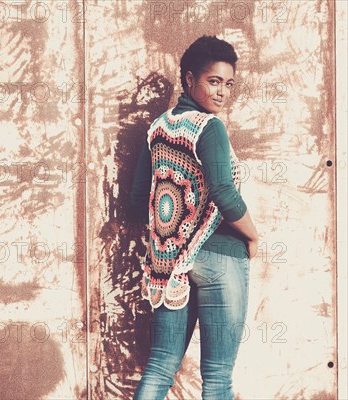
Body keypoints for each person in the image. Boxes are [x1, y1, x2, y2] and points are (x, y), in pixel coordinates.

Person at [130, 35, 259, 400]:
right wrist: (252, 236)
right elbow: (224, 192)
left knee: (159, 366)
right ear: (189, 79)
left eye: (228, 84)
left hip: (171, 265)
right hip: (221, 258)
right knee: (218, 376)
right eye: (213, 81)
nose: (222, 93)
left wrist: (172, 239)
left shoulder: (157, 129)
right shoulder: (209, 127)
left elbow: (141, 198)